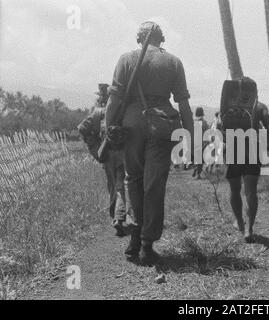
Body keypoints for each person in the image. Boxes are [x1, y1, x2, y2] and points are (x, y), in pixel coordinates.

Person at [105, 21, 194, 266]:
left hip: (131, 125)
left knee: (132, 179)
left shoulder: (126, 59)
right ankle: (146, 244)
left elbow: (113, 101)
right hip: (163, 125)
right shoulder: (173, 62)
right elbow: (183, 105)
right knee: (154, 185)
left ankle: (135, 234)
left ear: (139, 38)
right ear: (161, 38)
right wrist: (191, 139)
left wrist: (107, 129)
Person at [221, 77, 269, 243]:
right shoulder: (259, 107)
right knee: (251, 191)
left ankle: (240, 222)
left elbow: (222, 128)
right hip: (252, 149)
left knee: (235, 189)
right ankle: (249, 229)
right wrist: (268, 149)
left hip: (232, 148)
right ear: (254, 92)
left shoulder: (228, 106)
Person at [78, 83, 127, 237]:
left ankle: (117, 217)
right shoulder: (125, 111)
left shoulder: (98, 113)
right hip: (123, 154)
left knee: (113, 186)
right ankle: (118, 217)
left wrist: (95, 149)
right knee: (120, 186)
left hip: (107, 155)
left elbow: (82, 129)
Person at [192, 107, 209, 179]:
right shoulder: (204, 122)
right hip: (202, 142)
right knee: (201, 159)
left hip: (195, 142)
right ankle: (198, 174)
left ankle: (196, 170)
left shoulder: (194, 122)